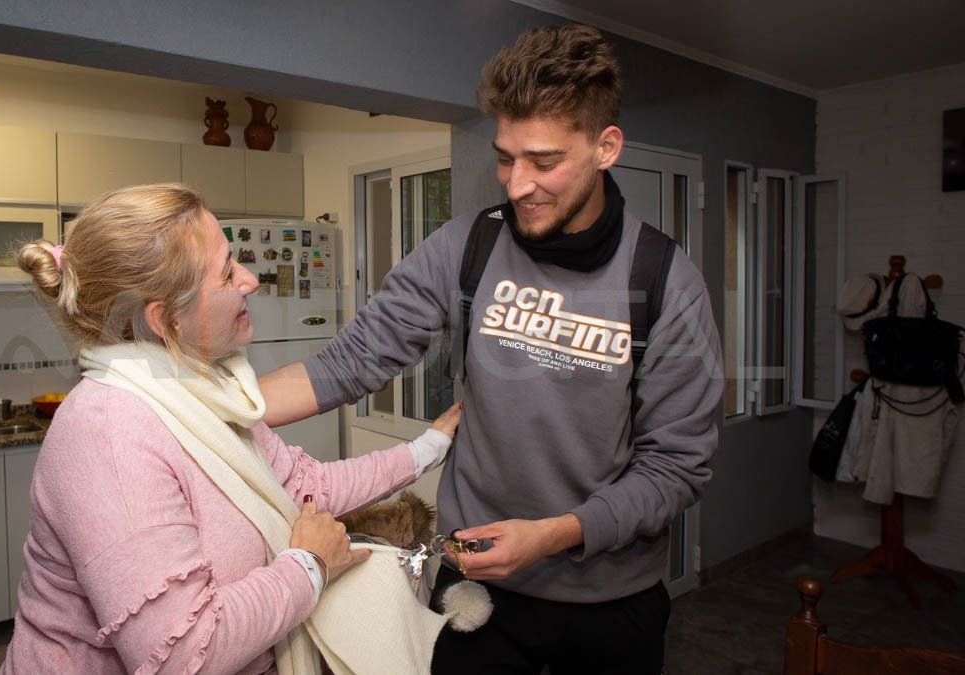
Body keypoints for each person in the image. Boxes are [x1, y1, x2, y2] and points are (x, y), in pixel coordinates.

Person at [259, 24, 723, 674]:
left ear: (606, 147)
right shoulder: (466, 247)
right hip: (472, 591)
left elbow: (676, 467)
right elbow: (351, 360)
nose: (517, 182)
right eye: (506, 156)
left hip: (610, 605)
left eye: (544, 160)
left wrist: (556, 532)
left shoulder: (662, 278)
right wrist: (205, 410)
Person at [2, 183, 460, 674]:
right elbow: (181, 656)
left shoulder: (203, 394)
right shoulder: (108, 436)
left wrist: (428, 447)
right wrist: (309, 566)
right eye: (226, 272)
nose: (250, 280)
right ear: (166, 320)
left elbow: (306, 488)